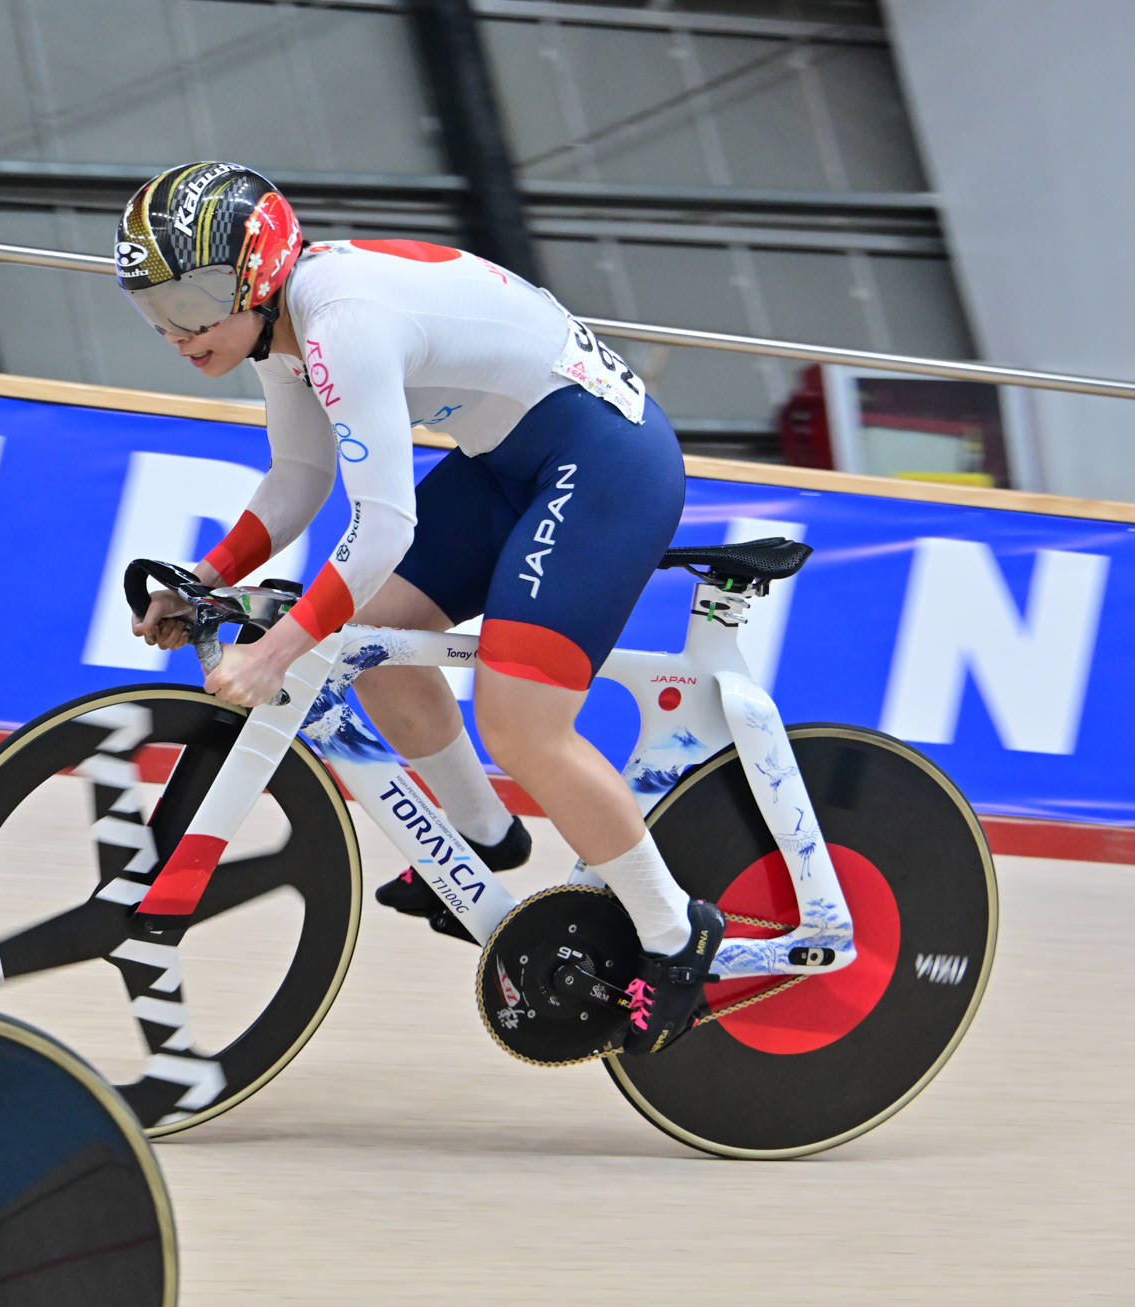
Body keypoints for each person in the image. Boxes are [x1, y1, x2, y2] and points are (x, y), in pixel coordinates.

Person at [117, 162, 723, 1054]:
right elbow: (299, 479)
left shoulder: (339, 323)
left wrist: (276, 649)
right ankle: (480, 837)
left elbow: (383, 527)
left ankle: (675, 936)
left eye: (196, 298)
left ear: (259, 266)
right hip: (507, 456)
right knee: (378, 647)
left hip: (603, 460)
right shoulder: (275, 330)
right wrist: (203, 578)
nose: (179, 329)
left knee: (520, 722)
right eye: (156, 307)